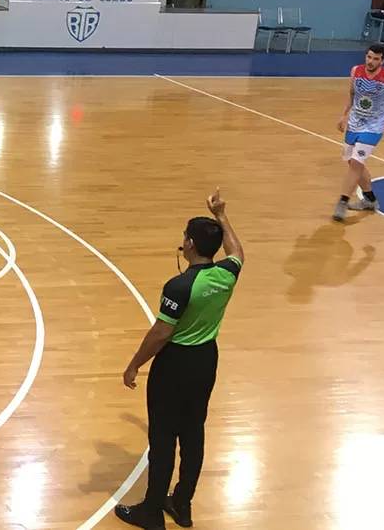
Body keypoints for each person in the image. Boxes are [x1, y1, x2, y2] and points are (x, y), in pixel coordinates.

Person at [115, 190, 245, 530]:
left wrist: (134, 365)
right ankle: (182, 504)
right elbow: (237, 251)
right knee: (192, 433)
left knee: (162, 439)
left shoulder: (179, 286)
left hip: (175, 365)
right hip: (206, 360)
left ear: (189, 244)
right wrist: (221, 215)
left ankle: (152, 510)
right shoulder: (227, 274)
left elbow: (160, 333)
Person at [333, 44, 384, 221]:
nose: (371, 61)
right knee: (352, 162)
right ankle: (370, 199)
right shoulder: (356, 71)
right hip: (354, 123)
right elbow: (352, 94)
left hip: (374, 127)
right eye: (369, 57)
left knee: (356, 162)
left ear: (382, 61)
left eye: (376, 59)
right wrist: (344, 115)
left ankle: (342, 202)